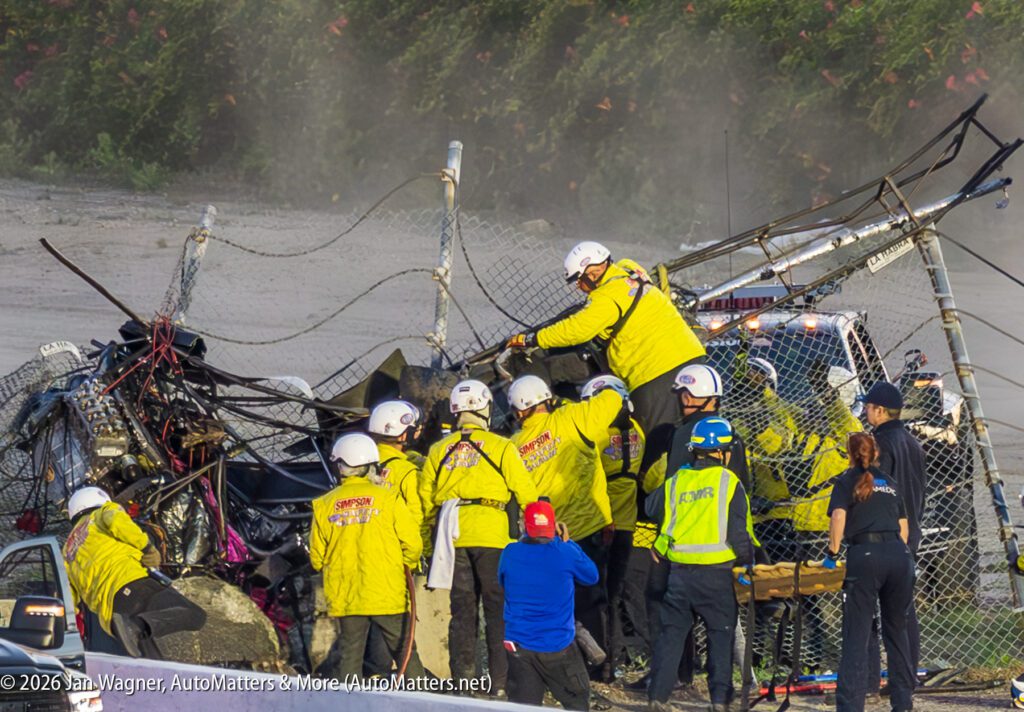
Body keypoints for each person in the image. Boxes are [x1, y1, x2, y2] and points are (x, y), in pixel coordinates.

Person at [505, 241, 705, 434]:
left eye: (579, 280)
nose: (578, 287)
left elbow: (575, 329)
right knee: (692, 428)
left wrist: (531, 339)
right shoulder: (630, 270)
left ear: (593, 273)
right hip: (690, 354)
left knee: (655, 439)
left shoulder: (607, 297)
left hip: (655, 372)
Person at [419, 379, 539, 695]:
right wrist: (541, 536)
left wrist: (428, 542)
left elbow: (426, 502)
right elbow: (527, 495)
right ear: (485, 409)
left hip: (452, 537)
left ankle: (464, 684)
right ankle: (499, 685)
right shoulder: (502, 447)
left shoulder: (438, 451)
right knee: (498, 612)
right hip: (493, 537)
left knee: (462, 614)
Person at [507, 374, 622, 675]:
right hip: (588, 527)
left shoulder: (516, 445)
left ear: (519, 411)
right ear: (548, 399)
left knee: (555, 602)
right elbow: (613, 399)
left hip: (546, 534)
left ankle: (563, 664)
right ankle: (601, 668)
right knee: (593, 597)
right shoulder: (572, 417)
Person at [645, 417, 757, 712]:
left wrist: (658, 546)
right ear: (722, 452)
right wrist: (747, 565)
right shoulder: (729, 482)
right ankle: (719, 702)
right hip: (717, 576)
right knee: (720, 637)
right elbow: (738, 532)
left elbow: (657, 514)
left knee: (671, 637)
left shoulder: (676, 482)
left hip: (679, 576)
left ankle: (657, 698)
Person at [310, 433, 425, 681]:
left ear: (339, 467)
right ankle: (424, 701)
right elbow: (413, 544)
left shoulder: (324, 505)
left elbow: (317, 559)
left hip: (347, 595)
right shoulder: (389, 499)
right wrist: (405, 564)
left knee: (350, 655)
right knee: (405, 652)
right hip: (387, 592)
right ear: (371, 465)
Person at [62, 487, 206, 659]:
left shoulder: (67, 552)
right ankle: (137, 626)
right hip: (132, 584)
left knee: (156, 664)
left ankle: (136, 628)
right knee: (195, 614)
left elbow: (69, 599)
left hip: (111, 618)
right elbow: (116, 520)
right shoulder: (102, 512)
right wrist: (147, 548)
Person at [827, 432, 915, 712]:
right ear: (876, 453)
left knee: (858, 633)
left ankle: (850, 705)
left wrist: (832, 551)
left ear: (850, 455)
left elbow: (839, 516)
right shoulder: (890, 482)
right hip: (898, 555)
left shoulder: (845, 481)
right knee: (896, 630)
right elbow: (904, 526)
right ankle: (902, 702)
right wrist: (898, 554)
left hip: (865, 554)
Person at [499, 500, 599, 710]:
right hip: (557, 645)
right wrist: (567, 541)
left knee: (523, 708)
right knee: (578, 703)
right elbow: (592, 576)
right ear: (553, 526)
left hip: (519, 646)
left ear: (525, 526)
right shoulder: (565, 552)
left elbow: (502, 581)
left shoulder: (509, 552)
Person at [858, 381, 926, 684]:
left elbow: (876, 492)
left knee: (865, 607)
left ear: (880, 411)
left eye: (868, 407)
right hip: (910, 534)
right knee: (903, 609)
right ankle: (906, 675)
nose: (865, 411)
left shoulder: (879, 445)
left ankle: (868, 677)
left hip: (883, 536)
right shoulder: (913, 443)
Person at [580, 374, 644, 679]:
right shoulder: (639, 432)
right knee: (617, 595)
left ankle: (602, 663)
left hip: (601, 524)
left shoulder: (596, 436)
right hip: (629, 526)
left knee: (597, 596)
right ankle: (619, 659)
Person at [364, 399, 426, 677]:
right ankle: (408, 679)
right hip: (393, 558)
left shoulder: (359, 464)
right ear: (402, 434)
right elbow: (416, 517)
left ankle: (369, 673)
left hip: (361, 553)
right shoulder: (406, 471)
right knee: (393, 620)